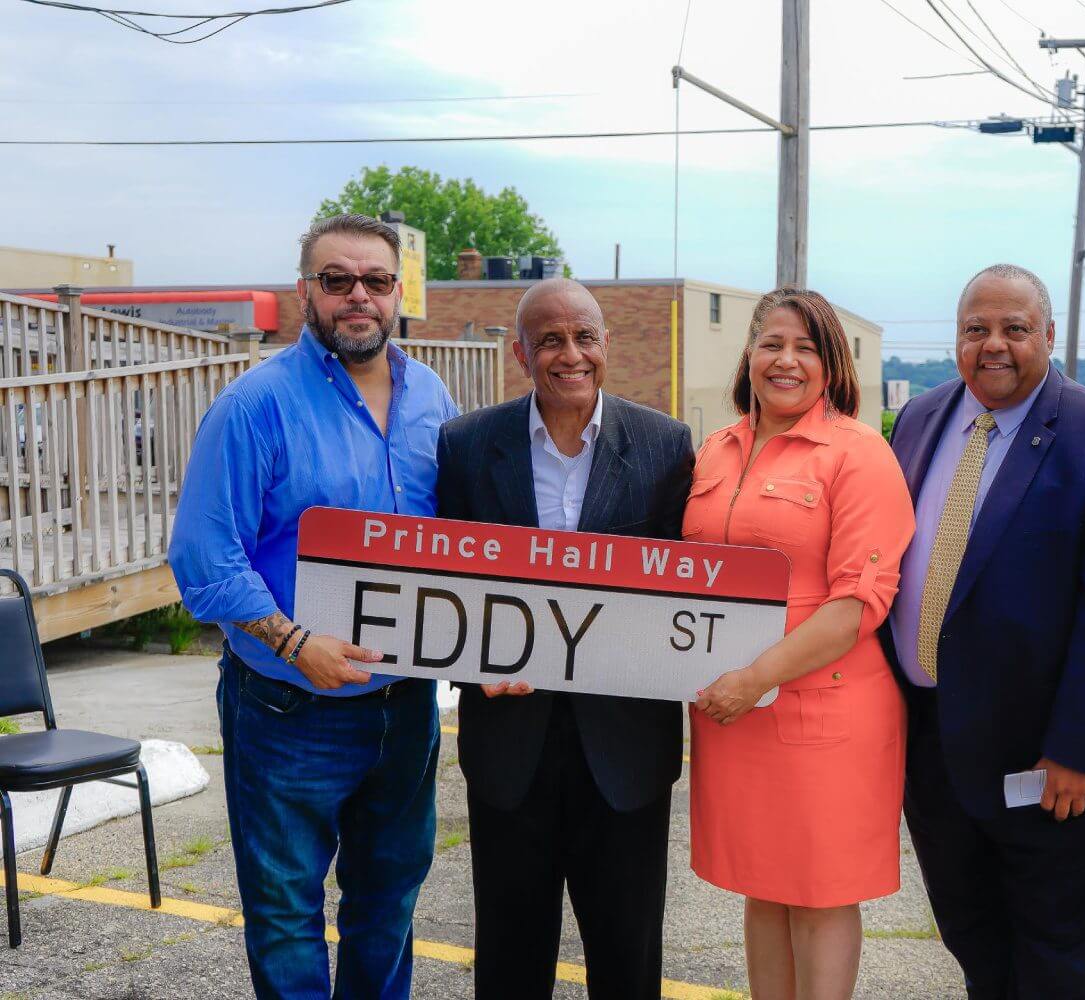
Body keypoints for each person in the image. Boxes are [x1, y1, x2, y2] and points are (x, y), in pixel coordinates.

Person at [169, 214, 458, 998]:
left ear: (399, 291)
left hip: (406, 706)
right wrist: (296, 642)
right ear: (307, 292)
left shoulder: (432, 395)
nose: (357, 296)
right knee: (286, 918)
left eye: (375, 280)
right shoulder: (254, 405)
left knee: (388, 907)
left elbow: (458, 541)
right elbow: (206, 558)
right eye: (337, 281)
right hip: (289, 708)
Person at [882, 265, 1085, 999]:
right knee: (975, 945)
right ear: (957, 339)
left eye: (1014, 328)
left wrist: (1079, 748)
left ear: (1049, 335)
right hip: (936, 754)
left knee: (1054, 963)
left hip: (1050, 770)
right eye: (977, 329)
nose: (994, 345)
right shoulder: (920, 419)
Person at [435, 278, 694, 999]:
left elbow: (683, 590)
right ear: (521, 353)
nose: (569, 354)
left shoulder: (665, 446)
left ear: (606, 344)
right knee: (511, 963)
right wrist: (468, 663)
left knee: (628, 961)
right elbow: (449, 588)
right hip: (508, 742)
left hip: (626, 750)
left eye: (584, 337)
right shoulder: (465, 445)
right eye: (550, 340)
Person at [689, 288, 915, 1000]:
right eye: (772, 344)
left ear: (832, 364)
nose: (786, 361)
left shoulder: (858, 453)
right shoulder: (715, 450)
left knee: (819, 894)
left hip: (823, 713)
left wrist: (756, 676)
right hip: (735, 710)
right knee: (764, 886)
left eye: (806, 348)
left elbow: (857, 605)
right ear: (749, 354)